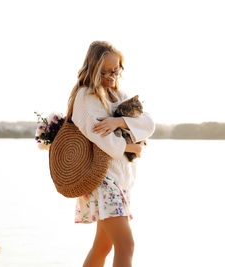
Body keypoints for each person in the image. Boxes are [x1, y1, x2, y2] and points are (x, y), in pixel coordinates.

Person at [65, 41, 155, 267]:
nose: (113, 75)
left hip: (121, 179)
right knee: (126, 244)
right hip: (101, 179)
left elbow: (148, 124)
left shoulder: (117, 94)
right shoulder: (86, 97)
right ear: (95, 69)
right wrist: (132, 147)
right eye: (107, 71)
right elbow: (105, 141)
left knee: (103, 246)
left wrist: (119, 120)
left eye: (116, 69)